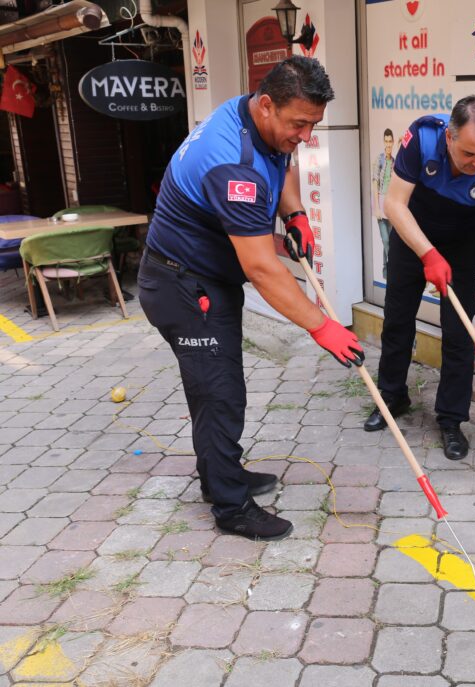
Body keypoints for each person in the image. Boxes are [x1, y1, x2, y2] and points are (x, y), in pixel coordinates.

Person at [139, 57, 365, 541]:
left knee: (219, 387)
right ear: (267, 105)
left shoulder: (253, 120)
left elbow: (280, 163)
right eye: (299, 124)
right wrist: (322, 325)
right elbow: (262, 267)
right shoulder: (230, 165)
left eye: (313, 125)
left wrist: (296, 214)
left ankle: (222, 474)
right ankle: (229, 505)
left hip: (205, 279)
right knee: (218, 394)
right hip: (183, 286)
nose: (305, 137)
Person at [365, 95, 475, 460]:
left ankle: (450, 418)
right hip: (412, 228)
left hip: (461, 239)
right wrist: (427, 253)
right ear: (449, 137)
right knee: (398, 317)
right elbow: (393, 204)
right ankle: (392, 395)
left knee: (459, 332)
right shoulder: (422, 138)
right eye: (470, 154)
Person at [372, 128, 395, 281]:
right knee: (386, 240)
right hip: (380, 204)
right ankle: (392, 269)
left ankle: (386, 272)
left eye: (390, 141)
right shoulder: (379, 160)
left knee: (390, 240)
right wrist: (377, 208)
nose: (388, 144)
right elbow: (375, 184)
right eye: (386, 141)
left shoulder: (394, 162)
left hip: (390, 205)